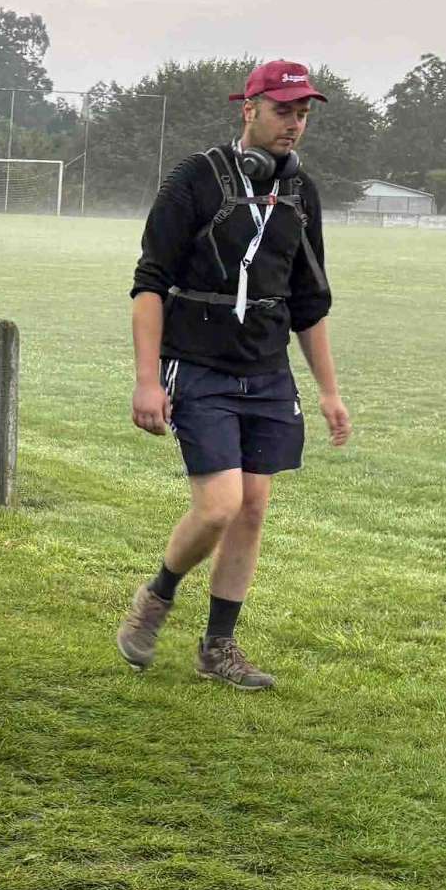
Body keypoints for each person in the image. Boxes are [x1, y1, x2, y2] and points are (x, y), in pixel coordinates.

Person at [113, 59, 351, 691]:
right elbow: (149, 284)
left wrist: (328, 390)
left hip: (267, 372)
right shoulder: (196, 179)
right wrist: (145, 378)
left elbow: (309, 300)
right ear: (248, 109)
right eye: (283, 111)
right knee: (218, 506)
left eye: (303, 114)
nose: (294, 125)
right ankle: (156, 597)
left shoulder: (302, 193)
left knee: (252, 509)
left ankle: (219, 647)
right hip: (198, 365)